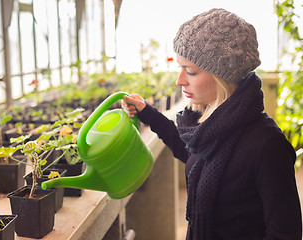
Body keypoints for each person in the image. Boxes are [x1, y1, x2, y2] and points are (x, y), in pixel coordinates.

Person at [122, 8, 302, 240]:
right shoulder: (208, 127)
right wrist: (148, 113)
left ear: (222, 76)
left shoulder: (268, 146)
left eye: (191, 71)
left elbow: (285, 234)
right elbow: (191, 152)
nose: (179, 80)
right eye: (180, 68)